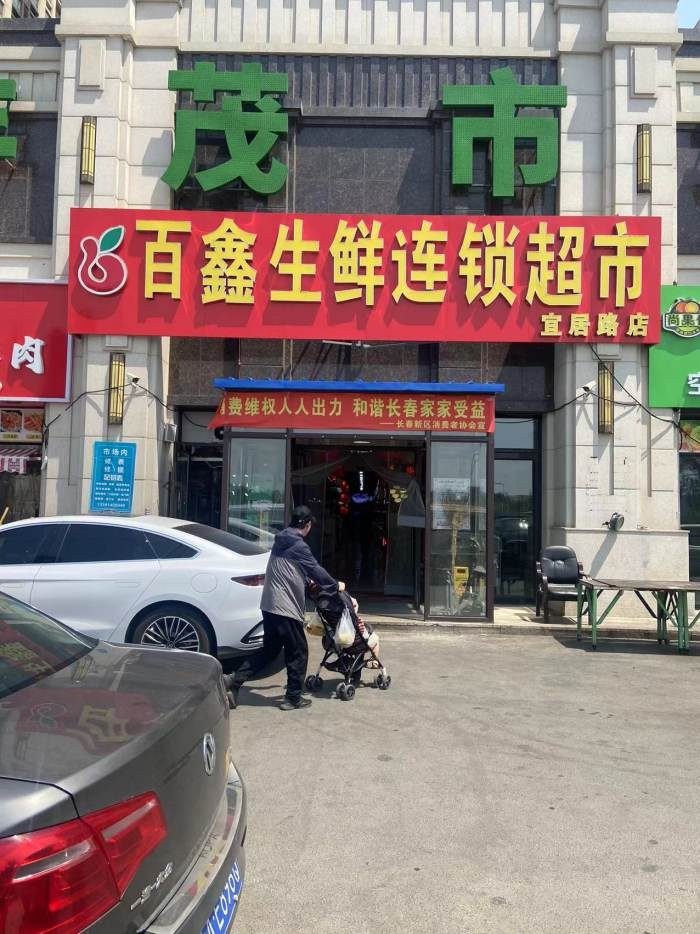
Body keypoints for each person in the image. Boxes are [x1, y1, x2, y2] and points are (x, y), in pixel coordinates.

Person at [225, 505, 344, 711]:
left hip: (269, 604)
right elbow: (315, 570)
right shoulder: (298, 545)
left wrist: (306, 582)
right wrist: (334, 585)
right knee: (298, 651)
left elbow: (290, 569)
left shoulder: (281, 540)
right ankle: (293, 697)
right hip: (284, 606)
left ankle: (234, 681)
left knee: (270, 650)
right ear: (307, 525)